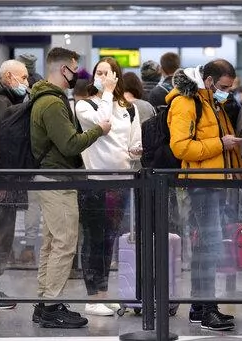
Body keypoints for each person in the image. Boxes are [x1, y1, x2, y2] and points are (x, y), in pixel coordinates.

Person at [30, 47, 111, 328]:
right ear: (62, 68)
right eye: (74, 68)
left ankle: (44, 302)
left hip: (51, 178)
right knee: (64, 243)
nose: (77, 73)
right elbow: (69, 144)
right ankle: (51, 305)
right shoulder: (51, 103)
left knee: (53, 242)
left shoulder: (44, 97)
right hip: (56, 180)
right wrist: (99, 130)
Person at [167, 59, 242, 331]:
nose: (227, 92)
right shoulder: (185, 103)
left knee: (204, 246)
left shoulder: (212, 102)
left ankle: (200, 308)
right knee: (211, 246)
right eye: (224, 86)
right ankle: (208, 309)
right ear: (209, 80)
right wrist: (219, 144)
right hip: (201, 184)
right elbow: (180, 147)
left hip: (213, 182)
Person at [76, 57, 142, 317]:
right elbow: (103, 124)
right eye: (99, 72)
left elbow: (134, 141)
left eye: (108, 72)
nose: (103, 76)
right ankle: (93, 297)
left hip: (121, 180)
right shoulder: (85, 105)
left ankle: (103, 292)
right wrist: (105, 92)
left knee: (110, 238)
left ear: (117, 75)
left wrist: (135, 151)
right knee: (94, 238)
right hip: (95, 182)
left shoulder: (129, 108)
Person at [0, 59, 29, 309]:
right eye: (23, 77)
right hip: (0, 181)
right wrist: (0, 179)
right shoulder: (0, 103)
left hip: (0, 178)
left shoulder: (2, 100)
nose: (26, 82)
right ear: (9, 78)